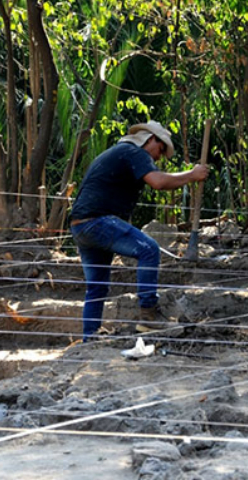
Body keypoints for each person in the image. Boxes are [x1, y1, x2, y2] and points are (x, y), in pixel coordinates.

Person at [70, 120, 209, 339]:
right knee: (149, 250)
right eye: (161, 150)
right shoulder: (135, 152)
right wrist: (192, 175)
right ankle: (149, 317)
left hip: (80, 225)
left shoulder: (119, 153)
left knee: (97, 286)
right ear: (150, 139)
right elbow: (158, 182)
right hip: (98, 221)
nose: (159, 157)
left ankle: (90, 336)